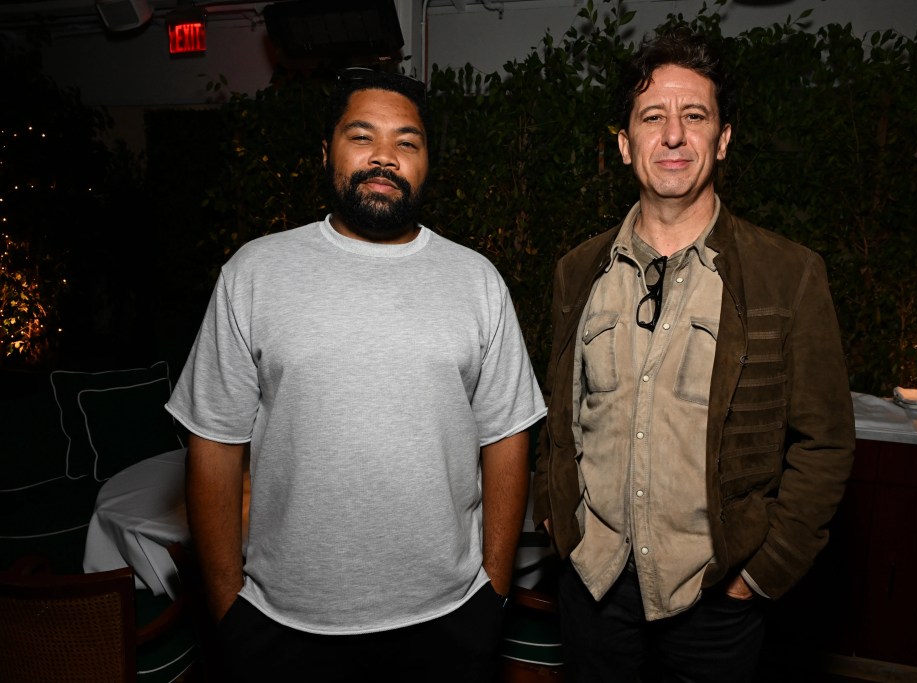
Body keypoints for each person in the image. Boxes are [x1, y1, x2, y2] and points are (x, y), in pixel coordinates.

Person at [166, 68, 546, 681]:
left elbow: (506, 438)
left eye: (408, 142)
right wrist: (228, 610)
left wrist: (492, 594)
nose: (385, 158)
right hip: (282, 626)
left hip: (448, 622)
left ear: (427, 163)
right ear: (327, 152)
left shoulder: (476, 280)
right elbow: (213, 443)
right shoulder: (255, 273)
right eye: (361, 136)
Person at [532, 27, 855, 682]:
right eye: (653, 117)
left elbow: (825, 442)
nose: (673, 135)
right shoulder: (577, 272)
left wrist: (761, 574)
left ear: (723, 138)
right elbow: (558, 421)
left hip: (715, 596)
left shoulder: (787, 275)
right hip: (592, 588)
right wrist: (555, 518)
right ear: (624, 144)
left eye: (695, 116)